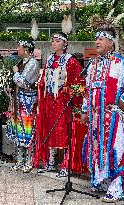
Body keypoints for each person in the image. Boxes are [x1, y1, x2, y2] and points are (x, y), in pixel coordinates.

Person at [81, 27, 124, 202]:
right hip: (95, 117)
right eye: (96, 39)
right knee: (97, 149)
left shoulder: (122, 63)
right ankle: (103, 181)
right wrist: (85, 111)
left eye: (101, 39)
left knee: (115, 150)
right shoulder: (93, 64)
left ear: (111, 42)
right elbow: (87, 90)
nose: (96, 42)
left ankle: (117, 189)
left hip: (113, 115)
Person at [33, 32, 84, 176]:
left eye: (56, 41)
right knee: (50, 129)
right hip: (49, 102)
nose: (53, 43)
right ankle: (51, 161)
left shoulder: (70, 60)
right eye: (52, 41)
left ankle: (65, 165)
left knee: (63, 131)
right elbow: (44, 79)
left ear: (64, 44)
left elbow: (79, 82)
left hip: (63, 103)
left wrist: (69, 91)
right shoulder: (49, 59)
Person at [7, 39, 40, 173]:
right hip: (19, 101)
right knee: (18, 131)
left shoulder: (32, 63)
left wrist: (15, 72)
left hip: (28, 102)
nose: (17, 49)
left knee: (27, 131)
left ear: (26, 49)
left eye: (19, 47)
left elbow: (24, 82)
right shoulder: (23, 62)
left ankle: (29, 161)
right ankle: (19, 160)